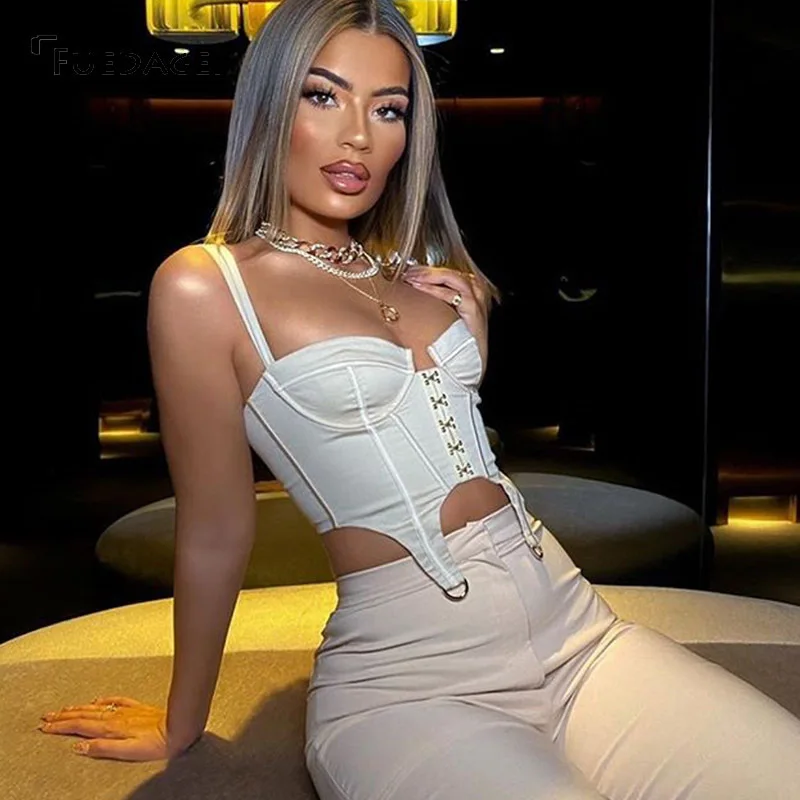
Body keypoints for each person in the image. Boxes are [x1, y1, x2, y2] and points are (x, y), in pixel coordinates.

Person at [38, 0, 800, 797]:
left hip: (577, 630)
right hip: (409, 685)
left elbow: (452, 449)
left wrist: (470, 358)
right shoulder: (205, 284)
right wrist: (181, 722)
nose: (359, 137)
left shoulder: (412, 272)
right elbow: (216, 527)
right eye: (323, 95)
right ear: (269, 105)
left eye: (389, 108)